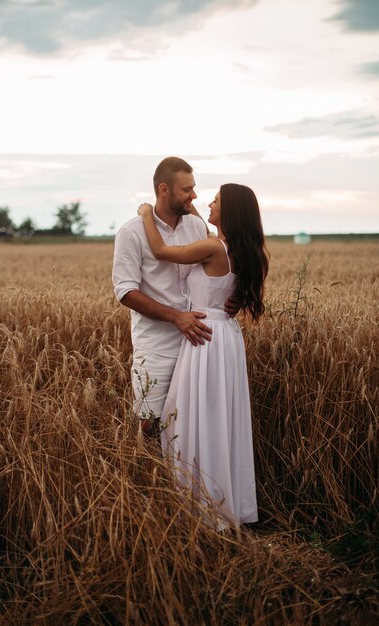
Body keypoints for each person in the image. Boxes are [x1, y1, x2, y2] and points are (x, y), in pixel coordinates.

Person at [138, 183, 269, 527]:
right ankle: (227, 503)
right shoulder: (243, 250)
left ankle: (201, 507)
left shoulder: (212, 247)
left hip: (203, 338)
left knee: (192, 418)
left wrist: (144, 214)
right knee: (219, 418)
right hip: (225, 335)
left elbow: (161, 250)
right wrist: (193, 211)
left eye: (217, 201)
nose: (207, 202)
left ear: (231, 212)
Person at [112, 157, 238, 435]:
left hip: (198, 345)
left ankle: (185, 480)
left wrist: (235, 296)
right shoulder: (131, 233)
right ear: (164, 190)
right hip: (156, 347)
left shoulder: (196, 227)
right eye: (187, 190)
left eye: (194, 188)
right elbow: (126, 292)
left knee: (193, 425)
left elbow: (222, 265)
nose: (194, 196)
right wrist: (175, 317)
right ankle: (149, 477)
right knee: (150, 424)